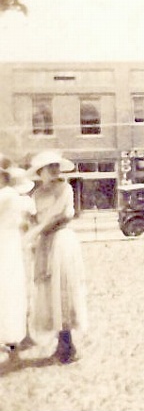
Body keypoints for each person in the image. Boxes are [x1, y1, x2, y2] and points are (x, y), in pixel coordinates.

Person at [23, 150, 87, 364]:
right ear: (40, 172)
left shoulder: (65, 188)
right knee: (48, 291)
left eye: (55, 167)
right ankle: (62, 343)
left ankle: (68, 344)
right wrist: (30, 227)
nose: (53, 171)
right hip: (45, 243)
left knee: (63, 289)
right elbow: (35, 218)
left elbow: (58, 216)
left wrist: (37, 230)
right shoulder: (37, 194)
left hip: (60, 241)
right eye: (49, 168)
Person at [0, 159, 36, 364]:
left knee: (7, 292)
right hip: (12, 242)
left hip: (6, 243)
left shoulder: (6, 195)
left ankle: (12, 339)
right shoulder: (15, 197)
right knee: (12, 290)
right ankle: (15, 338)